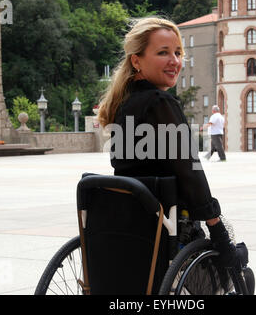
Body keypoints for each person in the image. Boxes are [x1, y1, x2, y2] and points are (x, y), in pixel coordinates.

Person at [98, 17, 245, 281]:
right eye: (163, 53)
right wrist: (218, 228)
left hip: (128, 228)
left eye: (178, 53)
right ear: (136, 60)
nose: (175, 61)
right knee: (239, 271)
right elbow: (189, 171)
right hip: (167, 230)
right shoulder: (160, 102)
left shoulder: (123, 105)